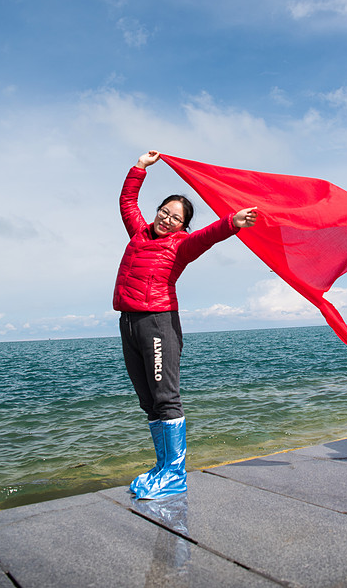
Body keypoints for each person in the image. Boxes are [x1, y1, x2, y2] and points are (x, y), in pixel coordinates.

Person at [113, 150, 257, 500]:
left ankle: (175, 475)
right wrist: (139, 168)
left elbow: (206, 237)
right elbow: (127, 202)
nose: (166, 220)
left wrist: (232, 222)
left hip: (158, 324)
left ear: (182, 226)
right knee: (147, 401)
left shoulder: (180, 246)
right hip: (128, 322)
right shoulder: (139, 233)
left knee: (166, 398)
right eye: (164, 212)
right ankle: (162, 469)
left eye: (175, 218)